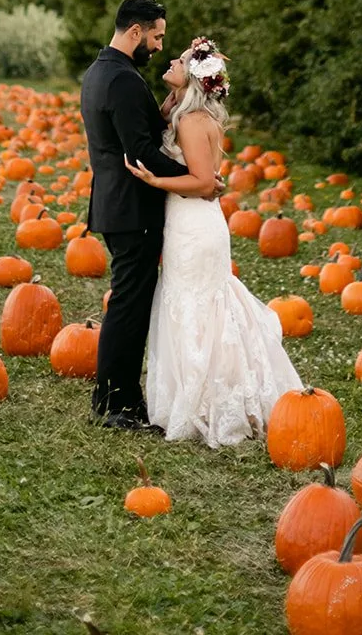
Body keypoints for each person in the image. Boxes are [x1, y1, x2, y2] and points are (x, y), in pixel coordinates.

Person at [126, 35, 303, 447]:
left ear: (194, 76)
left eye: (182, 59)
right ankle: (209, 397)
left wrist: (156, 179)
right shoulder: (187, 115)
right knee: (201, 308)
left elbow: (204, 182)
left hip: (192, 225)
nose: (172, 59)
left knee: (195, 308)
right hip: (196, 222)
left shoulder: (191, 122)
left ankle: (207, 404)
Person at [80, 0, 196, 431]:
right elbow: (142, 153)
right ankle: (116, 406)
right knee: (129, 307)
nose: (159, 46)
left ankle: (114, 399)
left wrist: (163, 111)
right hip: (132, 209)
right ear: (136, 31)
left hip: (115, 204)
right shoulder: (124, 79)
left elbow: (135, 131)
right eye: (157, 36)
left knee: (126, 303)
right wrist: (195, 177)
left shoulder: (100, 72)